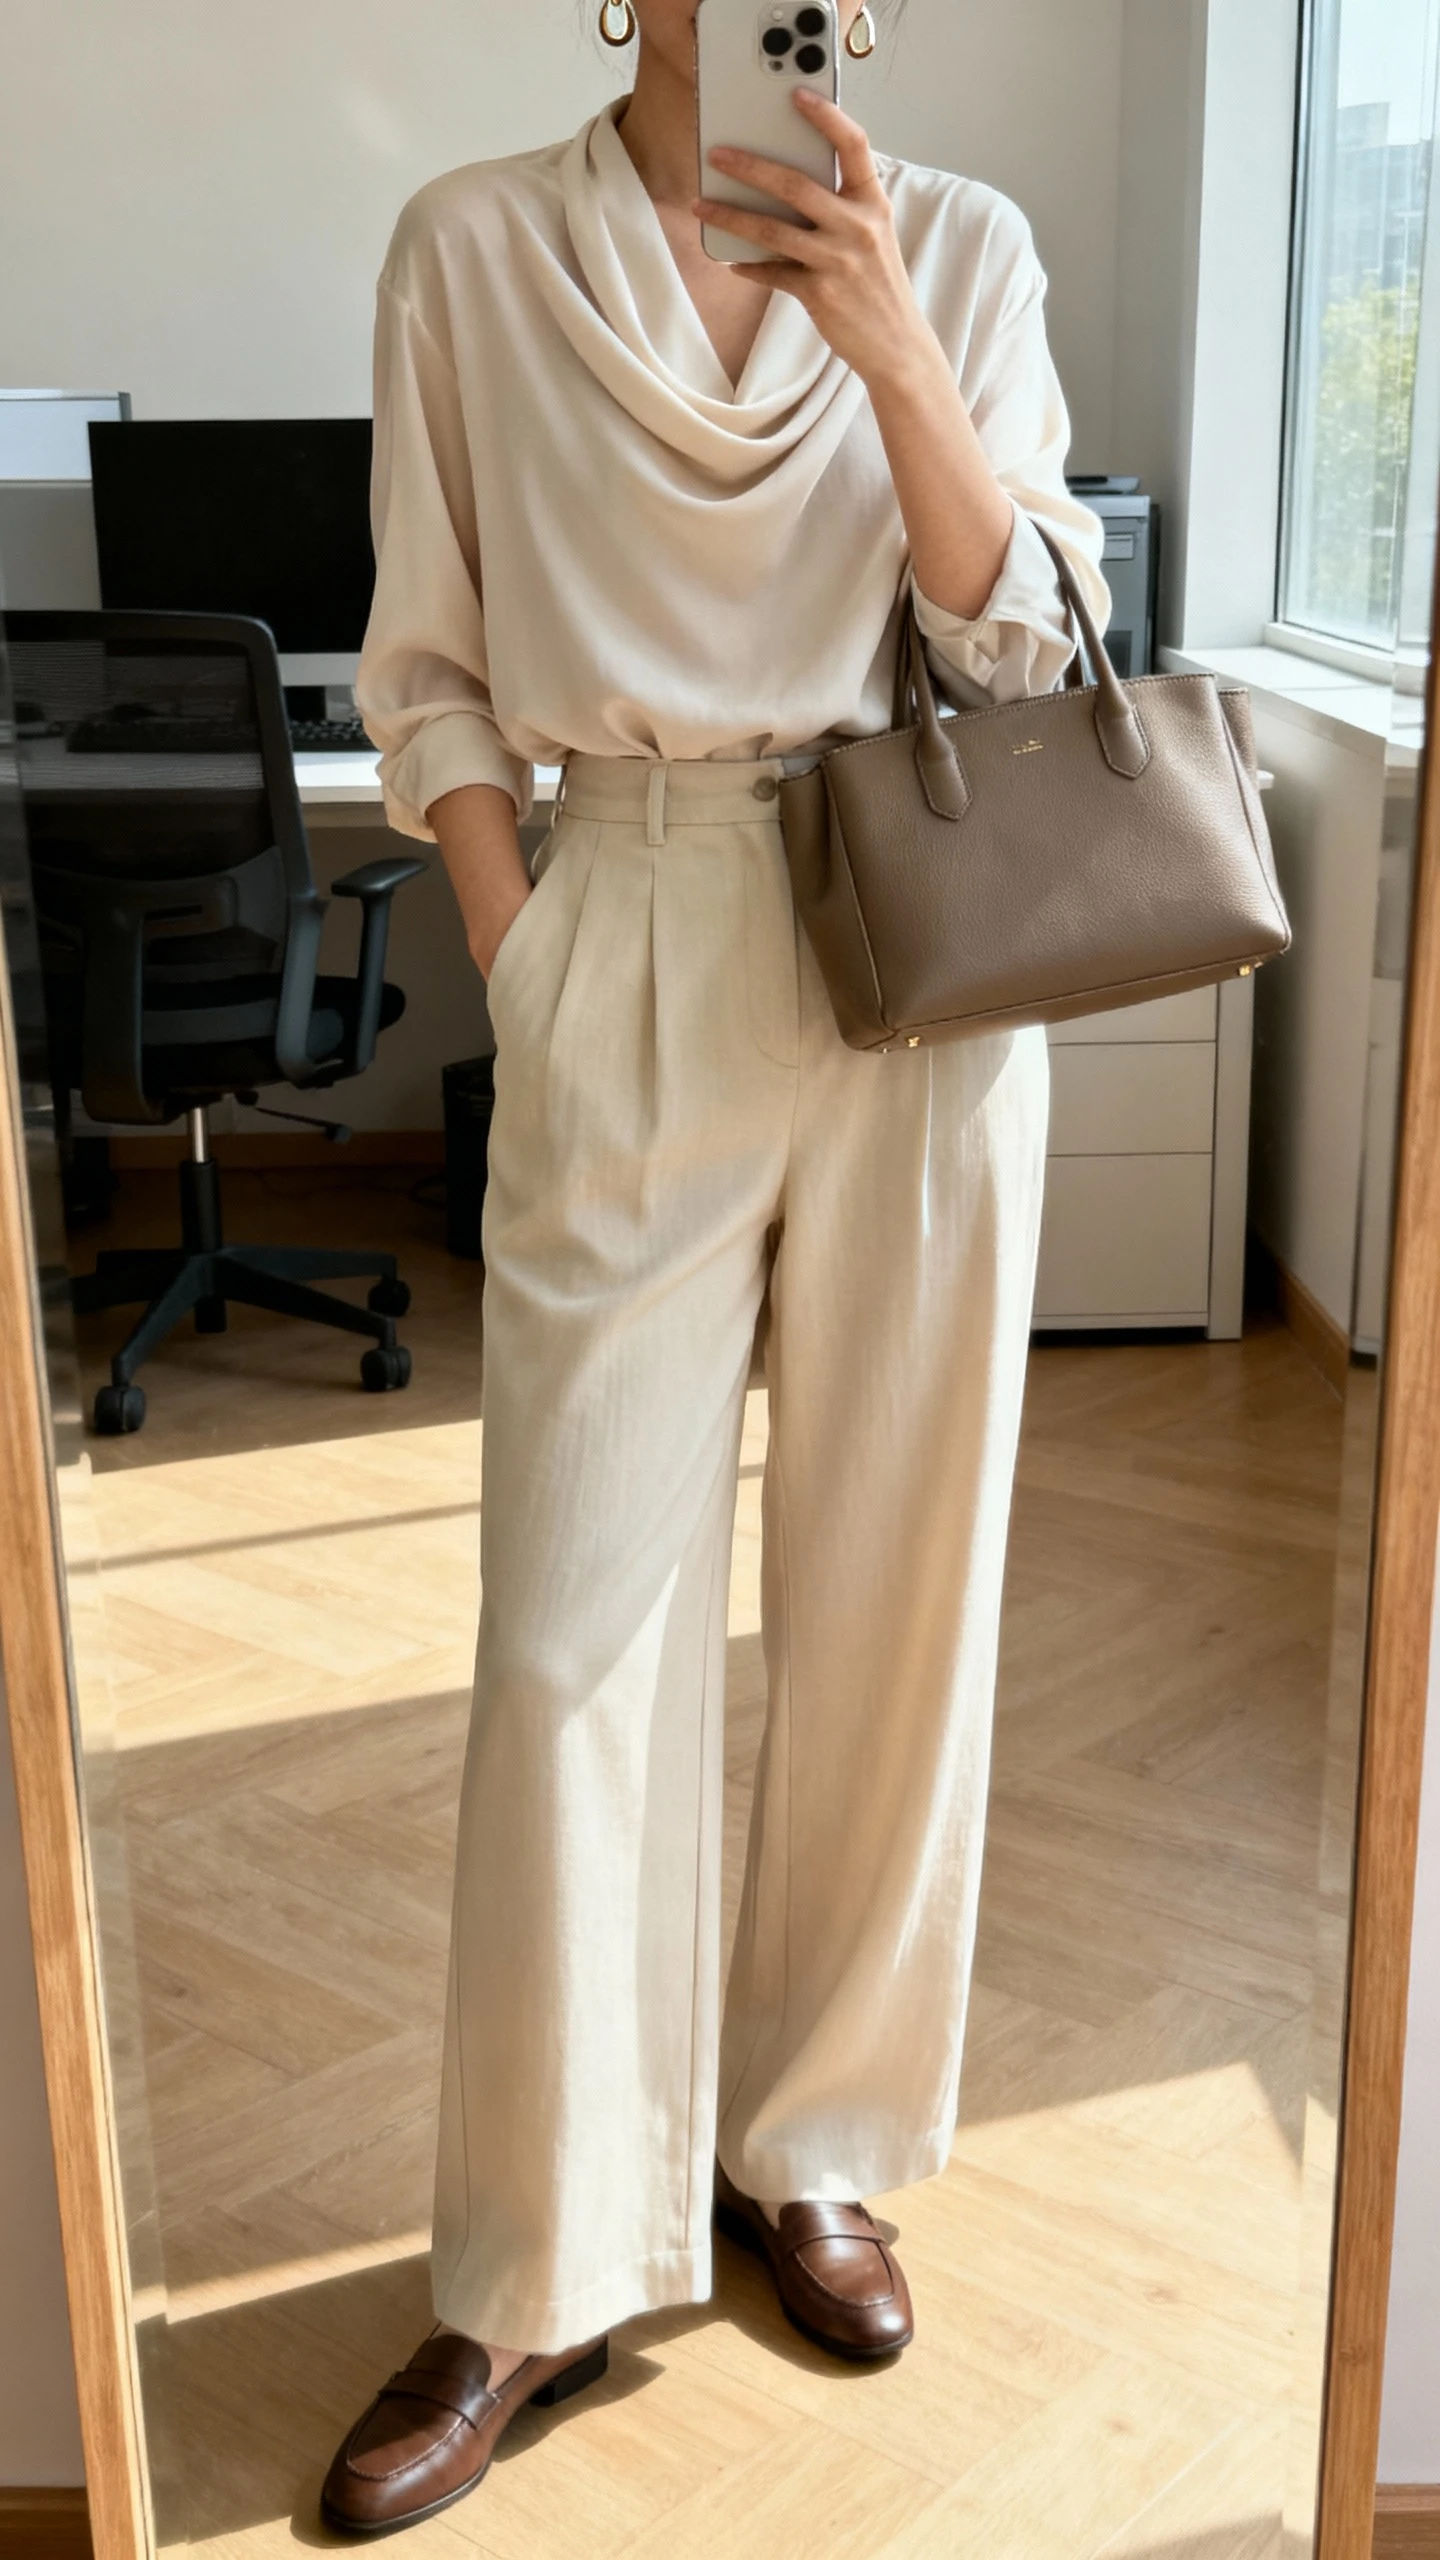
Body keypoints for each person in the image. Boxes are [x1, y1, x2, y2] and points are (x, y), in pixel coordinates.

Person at [322, 0, 1107, 2533]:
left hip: (922, 931)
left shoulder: (960, 246)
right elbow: (427, 664)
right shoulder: (470, 250)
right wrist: (526, 943)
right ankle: (534, 2257)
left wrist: (894, 349)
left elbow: (1025, 628)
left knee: (897, 1587)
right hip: (628, 919)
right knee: (570, 1631)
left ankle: (817, 2146)